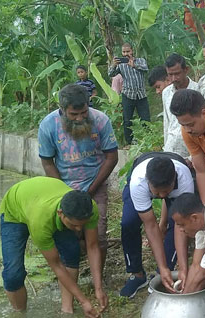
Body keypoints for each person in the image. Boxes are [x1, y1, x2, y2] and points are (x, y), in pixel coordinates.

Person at [38, 83, 118, 273]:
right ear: (62, 110)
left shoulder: (100, 120)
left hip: (95, 184)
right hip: (63, 187)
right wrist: (63, 192)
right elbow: (48, 162)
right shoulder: (48, 126)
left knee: (98, 235)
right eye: (74, 115)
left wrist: (90, 191)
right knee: (68, 235)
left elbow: (112, 157)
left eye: (84, 112)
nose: (80, 118)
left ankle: (97, 277)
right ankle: (69, 276)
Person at [0, 177, 107, 317]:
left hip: (41, 199)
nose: (79, 229)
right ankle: (20, 313)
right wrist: (84, 301)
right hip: (14, 210)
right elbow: (56, 265)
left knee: (71, 252)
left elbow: (92, 246)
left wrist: (98, 289)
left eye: (82, 224)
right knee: (13, 274)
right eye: (74, 225)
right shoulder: (41, 222)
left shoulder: (89, 208)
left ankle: (67, 311)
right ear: (61, 213)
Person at [119, 152, 194, 298]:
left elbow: (181, 228)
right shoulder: (138, 182)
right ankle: (137, 274)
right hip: (140, 170)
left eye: (165, 192)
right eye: (156, 192)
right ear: (148, 182)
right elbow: (151, 225)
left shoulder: (185, 181)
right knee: (128, 222)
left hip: (176, 169)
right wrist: (161, 264)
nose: (161, 196)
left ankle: (165, 273)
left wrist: (183, 268)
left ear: (174, 181)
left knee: (179, 223)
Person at [108, 43, 150, 145]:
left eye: (128, 51)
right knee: (127, 120)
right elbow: (110, 74)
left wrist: (134, 66)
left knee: (145, 119)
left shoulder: (140, 61)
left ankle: (148, 140)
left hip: (141, 95)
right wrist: (113, 65)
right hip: (127, 95)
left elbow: (146, 69)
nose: (126, 54)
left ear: (132, 51)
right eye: (124, 52)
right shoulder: (121, 65)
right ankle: (129, 142)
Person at [161, 54, 199, 159]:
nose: (173, 78)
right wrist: (166, 149)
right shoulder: (166, 93)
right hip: (170, 150)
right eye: (170, 75)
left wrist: (193, 158)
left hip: (192, 153)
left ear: (186, 70)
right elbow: (167, 123)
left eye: (177, 74)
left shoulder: (198, 90)